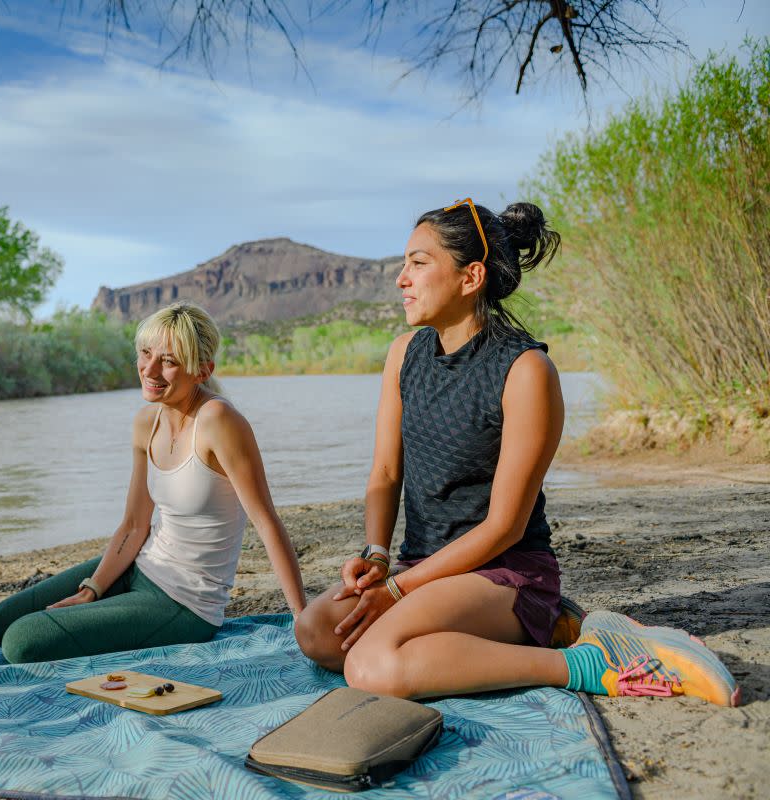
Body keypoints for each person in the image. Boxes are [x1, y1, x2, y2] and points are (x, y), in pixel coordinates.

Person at [293, 198, 740, 707]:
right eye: (404, 263)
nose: (401, 278)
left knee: (369, 665)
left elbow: (504, 526)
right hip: (424, 567)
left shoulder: (525, 371)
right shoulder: (403, 354)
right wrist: (377, 557)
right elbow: (385, 472)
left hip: (503, 572)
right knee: (316, 631)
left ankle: (584, 659)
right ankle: (528, 632)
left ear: (470, 277)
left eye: (418, 263)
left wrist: (397, 592)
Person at [0, 301, 307, 663]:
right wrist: (94, 588)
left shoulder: (219, 421)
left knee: (20, 642)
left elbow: (266, 522)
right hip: (140, 565)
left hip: (184, 602)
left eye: (168, 361)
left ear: (202, 370)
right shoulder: (146, 422)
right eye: (145, 354)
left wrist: (301, 617)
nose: (149, 370)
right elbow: (136, 523)